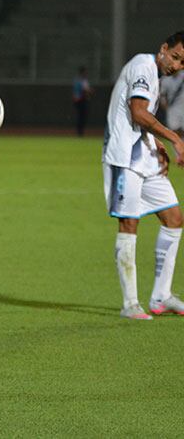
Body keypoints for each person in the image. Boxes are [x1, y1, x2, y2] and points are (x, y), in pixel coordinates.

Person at [102, 31, 184, 320]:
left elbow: (142, 118)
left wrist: (156, 142)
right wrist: (173, 137)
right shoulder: (143, 65)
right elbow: (137, 113)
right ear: (163, 48)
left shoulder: (155, 74)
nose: (176, 66)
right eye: (174, 57)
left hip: (144, 155)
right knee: (129, 222)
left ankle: (162, 296)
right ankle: (130, 304)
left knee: (174, 218)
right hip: (124, 157)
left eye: (182, 63)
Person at [161, 69, 184, 136]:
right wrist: (166, 107)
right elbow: (162, 95)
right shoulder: (165, 79)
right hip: (173, 109)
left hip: (182, 107)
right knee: (175, 132)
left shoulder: (182, 76)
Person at [72, 66, 93, 137]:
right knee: (81, 116)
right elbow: (84, 90)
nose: (86, 73)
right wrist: (89, 91)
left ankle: (80, 131)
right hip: (81, 100)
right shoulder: (81, 81)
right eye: (85, 72)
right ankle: (80, 132)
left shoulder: (80, 80)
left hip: (81, 100)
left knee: (82, 116)